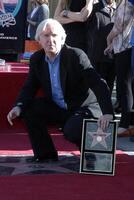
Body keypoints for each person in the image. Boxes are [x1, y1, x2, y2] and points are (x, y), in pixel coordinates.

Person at [7, 18, 114, 163]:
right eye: (46, 35)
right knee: (29, 110)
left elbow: (98, 83)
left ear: (63, 38)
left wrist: (107, 113)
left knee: (72, 130)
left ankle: (93, 156)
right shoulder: (36, 59)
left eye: (54, 35)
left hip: (83, 107)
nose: (50, 40)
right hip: (60, 107)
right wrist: (18, 106)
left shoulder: (76, 56)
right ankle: (46, 155)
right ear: (39, 39)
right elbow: (30, 86)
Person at [104, 0, 134, 135]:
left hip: (125, 49)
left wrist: (108, 38)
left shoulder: (127, 3)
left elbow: (119, 27)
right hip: (122, 47)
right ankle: (129, 123)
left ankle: (125, 124)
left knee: (124, 85)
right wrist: (111, 45)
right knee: (125, 85)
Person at [86, 0, 116, 95]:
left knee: (110, 85)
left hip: (115, 55)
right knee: (98, 88)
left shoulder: (120, 9)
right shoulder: (94, 8)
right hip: (97, 55)